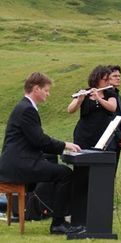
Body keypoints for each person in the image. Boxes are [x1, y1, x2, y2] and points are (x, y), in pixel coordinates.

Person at [0, 72, 81, 234]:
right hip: (18, 166)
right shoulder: (27, 109)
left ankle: (46, 211)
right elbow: (40, 141)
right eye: (46, 90)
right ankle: (58, 223)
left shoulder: (24, 106)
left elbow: (36, 141)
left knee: (53, 164)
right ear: (36, 89)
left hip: (16, 161)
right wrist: (65, 145)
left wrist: (56, 149)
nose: (48, 94)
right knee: (65, 174)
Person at [67, 65, 117, 149]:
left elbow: (112, 107)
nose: (108, 82)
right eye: (106, 79)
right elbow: (70, 110)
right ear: (97, 79)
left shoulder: (110, 93)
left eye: (109, 79)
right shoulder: (85, 92)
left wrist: (99, 98)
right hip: (84, 135)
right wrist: (79, 100)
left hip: (103, 135)